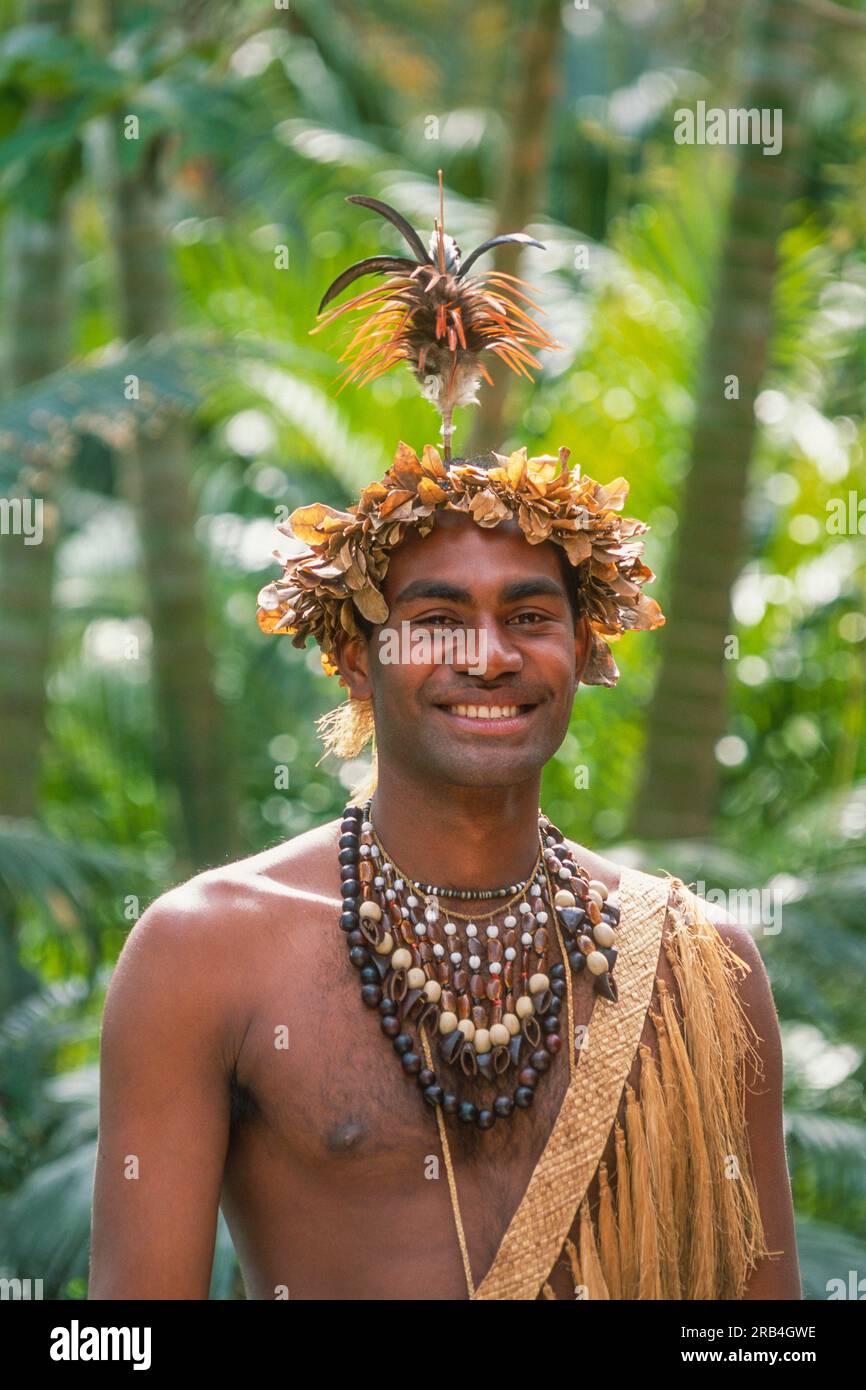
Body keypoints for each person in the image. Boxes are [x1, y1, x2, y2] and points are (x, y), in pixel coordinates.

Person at [88, 188, 799, 1301]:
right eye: (431, 618)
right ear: (352, 656)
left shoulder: (697, 967)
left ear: (583, 648)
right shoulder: (203, 954)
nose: (486, 655)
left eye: (529, 614)